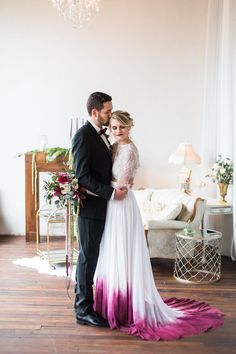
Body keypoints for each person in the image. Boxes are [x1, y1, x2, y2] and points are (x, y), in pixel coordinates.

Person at [94, 110, 224, 340]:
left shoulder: (130, 150)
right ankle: (114, 302)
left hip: (122, 206)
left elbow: (122, 185)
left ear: (130, 127)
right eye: (113, 127)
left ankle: (125, 305)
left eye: (121, 127)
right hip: (113, 204)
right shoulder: (115, 147)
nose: (117, 131)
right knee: (114, 251)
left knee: (123, 251)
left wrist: (95, 186)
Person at [72, 92, 128, 327]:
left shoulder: (101, 135)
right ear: (94, 112)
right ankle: (83, 309)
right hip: (91, 209)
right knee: (87, 257)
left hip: (103, 207)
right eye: (107, 111)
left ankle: (90, 304)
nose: (110, 114)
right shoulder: (83, 136)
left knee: (94, 256)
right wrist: (112, 193)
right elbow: (82, 177)